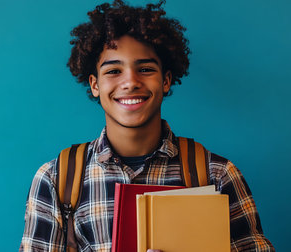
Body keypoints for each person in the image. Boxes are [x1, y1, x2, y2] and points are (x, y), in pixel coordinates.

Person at [19, 0, 274, 251]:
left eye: (145, 69)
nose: (130, 82)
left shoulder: (217, 175)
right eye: (113, 71)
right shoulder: (56, 179)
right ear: (95, 85)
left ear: (166, 81)